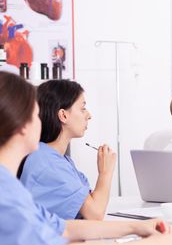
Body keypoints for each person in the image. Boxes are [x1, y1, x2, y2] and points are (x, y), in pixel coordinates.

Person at [0, 72, 172, 245]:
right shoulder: (7, 192)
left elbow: (63, 226)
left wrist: (138, 226)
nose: (41, 120)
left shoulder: (11, 185)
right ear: (22, 126)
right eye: (36, 115)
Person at [20, 80, 115, 221]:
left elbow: (90, 202)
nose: (89, 115)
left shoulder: (57, 159)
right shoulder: (48, 164)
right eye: (82, 108)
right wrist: (105, 172)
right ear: (63, 115)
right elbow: (95, 213)